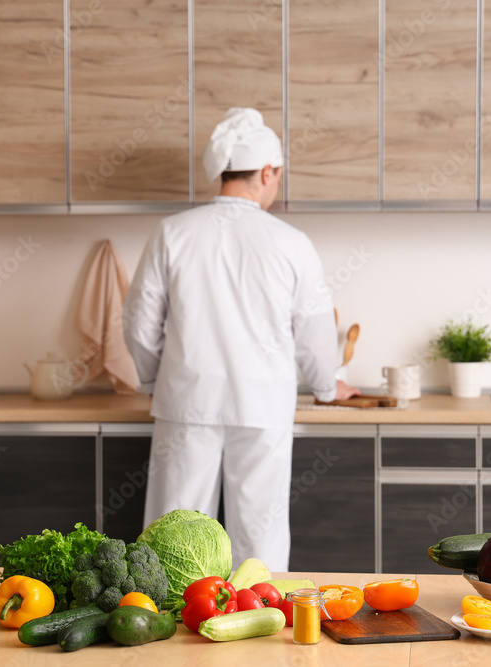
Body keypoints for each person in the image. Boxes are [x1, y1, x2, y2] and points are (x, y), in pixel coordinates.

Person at [123, 107, 359, 571]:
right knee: (260, 540)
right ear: (267, 173)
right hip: (262, 404)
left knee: (174, 539)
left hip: (187, 401)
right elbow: (312, 333)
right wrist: (328, 387)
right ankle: (261, 626)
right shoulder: (291, 242)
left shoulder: (172, 233)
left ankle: (167, 633)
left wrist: (154, 381)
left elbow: (139, 323)